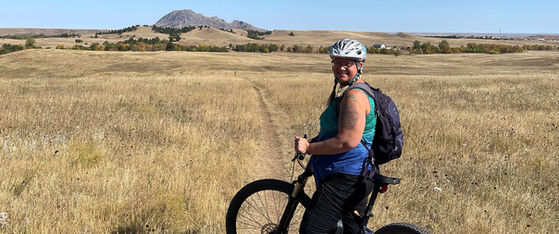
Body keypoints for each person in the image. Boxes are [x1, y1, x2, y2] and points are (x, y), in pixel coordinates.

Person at [294, 38, 377, 234]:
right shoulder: (356, 91)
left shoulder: (354, 97)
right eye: (337, 62)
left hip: (345, 177)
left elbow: (346, 141)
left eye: (347, 63)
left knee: (311, 231)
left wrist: (309, 148)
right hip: (355, 174)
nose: (341, 68)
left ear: (359, 65)